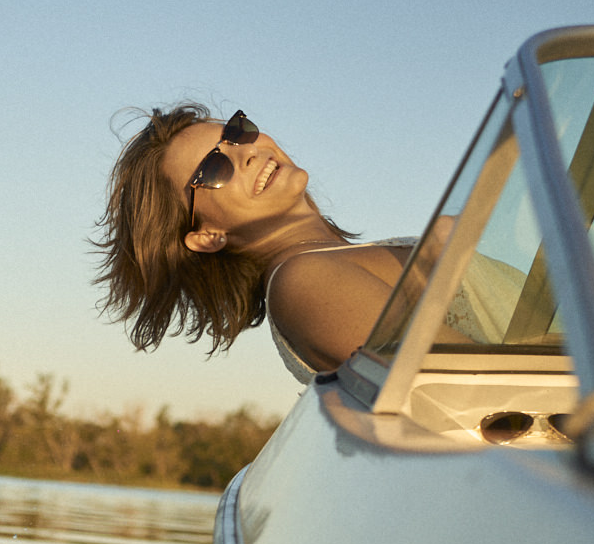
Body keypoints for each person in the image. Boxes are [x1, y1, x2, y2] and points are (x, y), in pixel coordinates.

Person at [93, 104, 421, 382]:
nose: (247, 153)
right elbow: (448, 380)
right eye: (214, 167)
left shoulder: (328, 261)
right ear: (208, 236)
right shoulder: (304, 280)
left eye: (237, 133)